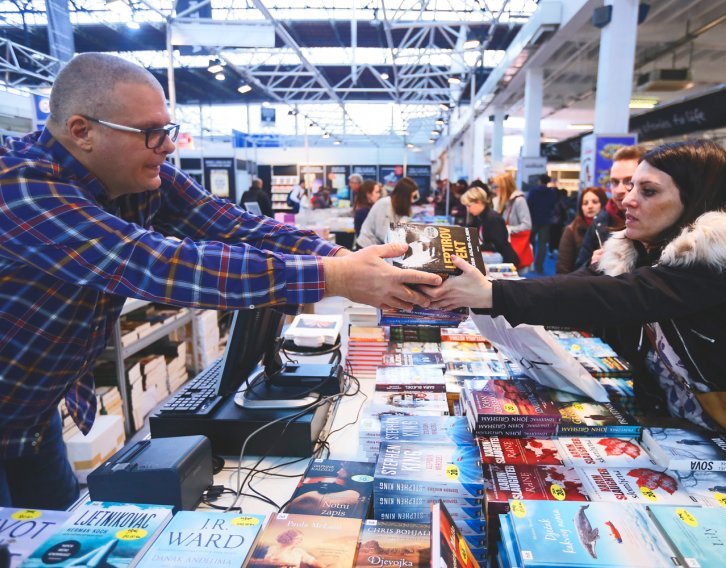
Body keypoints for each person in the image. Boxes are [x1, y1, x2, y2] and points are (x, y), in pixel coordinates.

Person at [0, 53, 441, 510]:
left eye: (167, 131)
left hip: (34, 419)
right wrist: (333, 277)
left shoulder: (136, 178)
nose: (167, 147)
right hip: (11, 411)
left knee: (50, 543)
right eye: (150, 133)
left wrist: (345, 259)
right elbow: (161, 264)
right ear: (81, 131)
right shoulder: (20, 188)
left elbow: (237, 226)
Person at [424, 140, 726, 428]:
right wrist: (487, 291)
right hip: (675, 422)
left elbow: (624, 296)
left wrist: (495, 293)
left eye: (647, 191)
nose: (626, 199)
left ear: (696, 199)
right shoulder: (637, 251)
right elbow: (575, 288)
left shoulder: (720, 261)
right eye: (628, 186)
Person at [574, 146, 645, 268]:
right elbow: (577, 272)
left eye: (628, 181)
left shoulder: (657, 223)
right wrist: (593, 266)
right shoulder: (599, 222)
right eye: (614, 182)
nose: (619, 190)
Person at [461, 187, 519, 265]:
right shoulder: (478, 216)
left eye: (469, 206)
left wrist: (476, 247)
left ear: (479, 202)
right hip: (493, 255)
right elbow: (468, 230)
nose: (468, 209)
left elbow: (498, 245)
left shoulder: (493, 219)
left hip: (503, 259)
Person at [556, 186, 607, 274]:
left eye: (595, 202)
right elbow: (563, 267)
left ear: (603, 203)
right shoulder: (571, 230)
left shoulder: (612, 227)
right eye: (585, 203)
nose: (590, 206)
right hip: (579, 280)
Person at [357, 177, 419, 248]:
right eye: (411, 197)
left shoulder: (399, 207)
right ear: (404, 196)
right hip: (366, 247)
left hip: (380, 247)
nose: (412, 201)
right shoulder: (385, 204)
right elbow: (382, 234)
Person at [493, 173, 532, 270]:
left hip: (514, 246)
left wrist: (508, 229)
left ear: (504, 186)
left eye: (496, 186)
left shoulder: (519, 200)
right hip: (505, 246)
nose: (494, 189)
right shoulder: (502, 201)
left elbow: (527, 225)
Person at [525, 174, 558, 274]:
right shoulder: (551, 192)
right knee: (542, 244)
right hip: (546, 221)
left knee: (531, 244)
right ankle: (539, 267)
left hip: (533, 220)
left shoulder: (533, 191)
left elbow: (528, 204)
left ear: (539, 180)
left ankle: (529, 264)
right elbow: (553, 205)